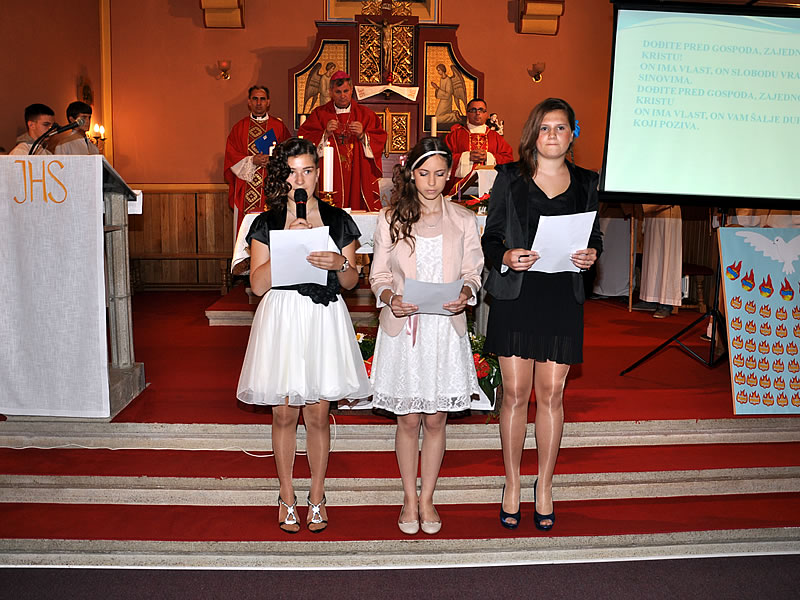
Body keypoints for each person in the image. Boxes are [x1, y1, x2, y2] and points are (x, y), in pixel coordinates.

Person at [236, 137, 371, 534]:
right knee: (283, 413)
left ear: (317, 173)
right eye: (292, 172)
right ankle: (285, 494)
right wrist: (287, 247)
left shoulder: (338, 219)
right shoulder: (265, 222)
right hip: (282, 316)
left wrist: (340, 261)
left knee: (317, 414)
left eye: (307, 171)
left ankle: (317, 495)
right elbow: (257, 285)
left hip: (322, 317)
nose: (300, 180)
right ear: (283, 176)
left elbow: (351, 281)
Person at [482, 98, 602, 531]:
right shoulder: (509, 177)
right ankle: (513, 482)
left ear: (572, 134)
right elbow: (491, 237)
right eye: (545, 127)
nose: (552, 134)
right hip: (518, 295)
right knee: (515, 394)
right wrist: (505, 255)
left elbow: (595, 237)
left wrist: (591, 254)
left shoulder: (588, 181)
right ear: (534, 133)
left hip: (560, 295)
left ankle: (545, 484)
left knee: (551, 394)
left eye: (561, 127)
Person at [369, 137, 484, 535]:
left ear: (449, 174)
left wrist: (467, 293)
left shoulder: (464, 220)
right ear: (411, 174)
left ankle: (428, 498)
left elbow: (473, 272)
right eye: (423, 173)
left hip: (444, 329)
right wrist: (390, 298)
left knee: (435, 421)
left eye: (439, 174)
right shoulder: (390, 218)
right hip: (405, 329)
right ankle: (407, 497)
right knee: (408, 420)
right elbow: (379, 275)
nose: (432, 182)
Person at [297, 72, 387, 211]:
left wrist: (363, 135)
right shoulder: (320, 114)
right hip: (330, 174)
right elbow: (304, 138)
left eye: (346, 91)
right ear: (330, 92)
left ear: (351, 90)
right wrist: (324, 134)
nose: (342, 95)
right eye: (338, 92)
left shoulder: (366, 114)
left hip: (358, 172)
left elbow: (379, 138)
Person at [224, 85, 292, 231]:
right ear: (249, 102)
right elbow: (231, 156)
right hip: (246, 187)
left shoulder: (278, 127)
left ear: (268, 102)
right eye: (255, 99)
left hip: (271, 186)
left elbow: (289, 154)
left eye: (262, 99)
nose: (259, 103)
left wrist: (273, 160)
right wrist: (252, 160)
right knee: (246, 228)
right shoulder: (239, 128)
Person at [445, 98, 513, 194]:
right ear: (467, 113)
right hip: (459, 189)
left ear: (486, 114)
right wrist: (466, 157)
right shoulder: (455, 136)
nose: (477, 113)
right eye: (473, 110)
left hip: (490, 189)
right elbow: (443, 159)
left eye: (481, 110)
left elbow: (508, 159)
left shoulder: (496, 137)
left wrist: (488, 157)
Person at [639, 205, 682, 318]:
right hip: (652, 215)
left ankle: (666, 305)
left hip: (668, 214)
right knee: (652, 261)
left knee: (667, 260)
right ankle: (650, 299)